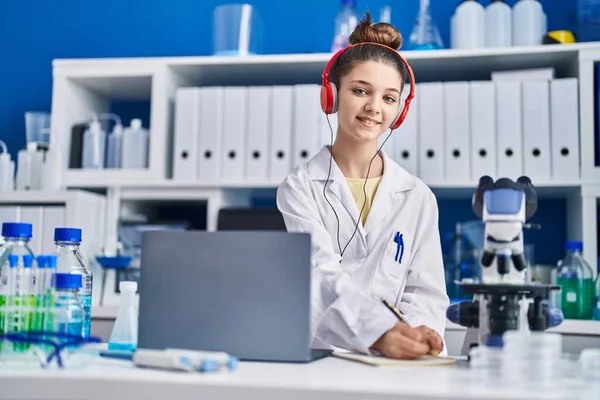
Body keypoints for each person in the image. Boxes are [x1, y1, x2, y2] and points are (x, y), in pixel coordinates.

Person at [276, 12, 449, 360]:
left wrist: (417, 333)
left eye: (389, 98)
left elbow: (425, 292)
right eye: (360, 91)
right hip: (320, 359)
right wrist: (378, 333)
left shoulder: (417, 196)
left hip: (395, 365)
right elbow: (319, 276)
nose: (374, 108)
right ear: (332, 95)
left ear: (400, 111)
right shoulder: (299, 188)